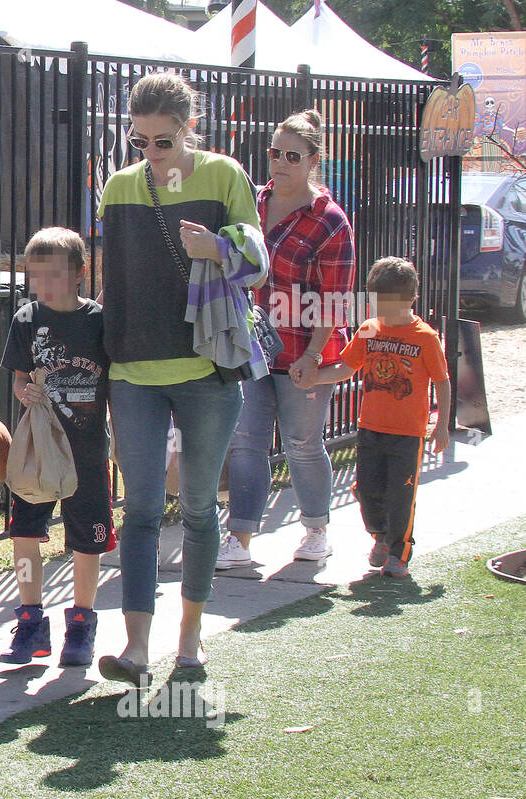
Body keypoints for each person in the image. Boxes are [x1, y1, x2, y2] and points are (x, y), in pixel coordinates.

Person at [96, 71, 259, 684]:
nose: (149, 153)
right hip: (133, 369)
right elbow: (111, 278)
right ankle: (136, 649)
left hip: (205, 367)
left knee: (195, 508)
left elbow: (256, 261)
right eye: (139, 142)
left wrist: (217, 248)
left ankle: (190, 640)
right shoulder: (119, 187)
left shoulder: (223, 174)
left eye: (161, 141)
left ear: (188, 130)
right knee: (138, 510)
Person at [218, 110, 357, 570]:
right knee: (246, 441)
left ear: (314, 160)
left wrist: (315, 356)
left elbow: (336, 300)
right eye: (274, 152)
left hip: (306, 348)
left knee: (301, 441)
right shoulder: (252, 203)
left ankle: (316, 527)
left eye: (292, 156)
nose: (279, 163)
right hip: (252, 346)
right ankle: (239, 537)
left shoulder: (331, 221)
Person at [0, 227, 115, 669]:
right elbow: (19, 376)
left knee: (88, 541)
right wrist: (24, 390)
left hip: (86, 451)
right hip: (39, 451)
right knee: (25, 532)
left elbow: (117, 384)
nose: (43, 286)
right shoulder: (27, 319)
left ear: (80, 274)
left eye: (54, 276)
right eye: (35, 276)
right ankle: (30, 622)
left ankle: (81, 625)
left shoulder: (98, 321)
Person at [310, 257, 450, 578]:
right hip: (370, 429)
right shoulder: (369, 330)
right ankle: (381, 537)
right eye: (378, 301)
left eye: (391, 302)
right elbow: (347, 367)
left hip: (407, 433)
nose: (383, 309)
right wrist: (312, 376)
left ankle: (399, 553)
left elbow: (442, 380)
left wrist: (440, 425)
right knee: (366, 489)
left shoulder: (425, 337)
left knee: (402, 493)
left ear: (411, 299)